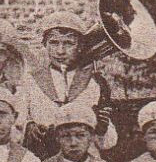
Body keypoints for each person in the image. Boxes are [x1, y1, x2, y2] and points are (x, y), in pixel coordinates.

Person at [22, 11, 118, 154]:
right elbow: (17, 122)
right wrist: (28, 126)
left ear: (80, 46)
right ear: (45, 45)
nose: (60, 51)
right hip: (42, 159)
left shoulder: (95, 83)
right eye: (54, 43)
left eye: (69, 43)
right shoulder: (30, 81)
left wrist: (102, 128)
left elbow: (108, 144)